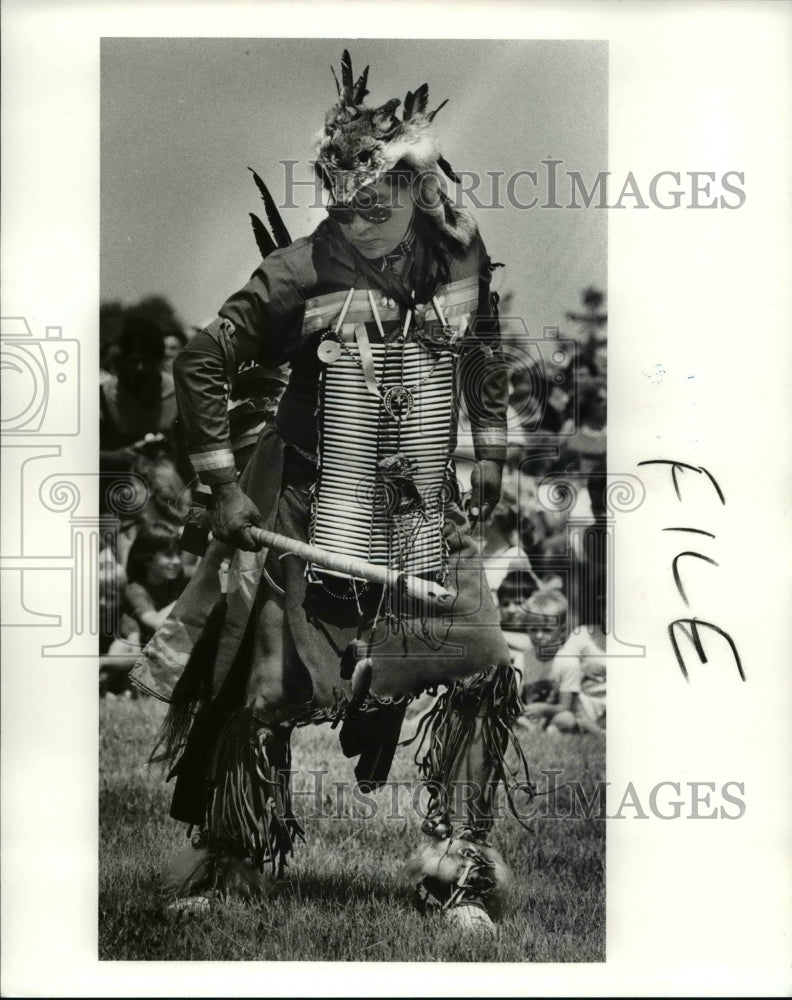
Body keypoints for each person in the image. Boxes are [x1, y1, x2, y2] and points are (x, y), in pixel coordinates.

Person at [131, 52, 532, 934]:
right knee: (265, 693)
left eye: (378, 193)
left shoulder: (461, 257)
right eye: (344, 196)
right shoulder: (300, 271)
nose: (358, 209)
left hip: (426, 519)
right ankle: (232, 855)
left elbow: (489, 352)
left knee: (482, 670)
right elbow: (203, 362)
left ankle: (455, 875)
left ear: (411, 186)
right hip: (313, 515)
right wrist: (225, 489)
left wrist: (493, 455)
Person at [518, 590, 606, 736]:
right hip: (530, 712)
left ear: (562, 631)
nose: (539, 636)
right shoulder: (523, 658)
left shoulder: (568, 661)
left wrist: (542, 708)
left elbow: (565, 706)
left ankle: (552, 729)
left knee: (567, 719)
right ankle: (532, 727)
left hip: (555, 713)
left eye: (547, 630)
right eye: (533, 629)